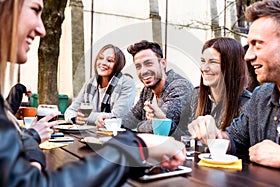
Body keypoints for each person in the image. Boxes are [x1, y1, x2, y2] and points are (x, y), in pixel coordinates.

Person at [0, 0, 185, 186]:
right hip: (102, 145)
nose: (42, 29)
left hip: (181, 159)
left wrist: (33, 148)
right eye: (138, 66)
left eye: (110, 60)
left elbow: (129, 121)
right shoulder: (95, 84)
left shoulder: (170, 85)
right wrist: (134, 139)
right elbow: (124, 121)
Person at [188, 0, 280, 173]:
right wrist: (213, 133)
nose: (248, 56)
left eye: (257, 44)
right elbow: (234, 140)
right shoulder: (261, 97)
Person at [96, 40, 194, 140]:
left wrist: (139, 125)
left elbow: (158, 127)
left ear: (163, 63)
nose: (143, 71)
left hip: (182, 151)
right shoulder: (147, 91)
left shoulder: (180, 87)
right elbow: (131, 119)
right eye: (138, 66)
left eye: (148, 63)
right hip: (156, 149)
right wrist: (110, 121)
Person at [189, 37, 251, 132]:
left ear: (231, 66)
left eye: (213, 62)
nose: (204, 68)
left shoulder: (247, 105)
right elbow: (183, 135)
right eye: (203, 61)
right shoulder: (197, 95)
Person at [64, 44, 135, 125]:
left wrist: (85, 116)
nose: (103, 63)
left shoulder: (126, 83)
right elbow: (71, 110)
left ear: (118, 65)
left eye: (110, 60)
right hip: (92, 133)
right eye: (100, 58)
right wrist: (75, 118)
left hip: (119, 134)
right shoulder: (90, 83)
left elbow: (118, 116)